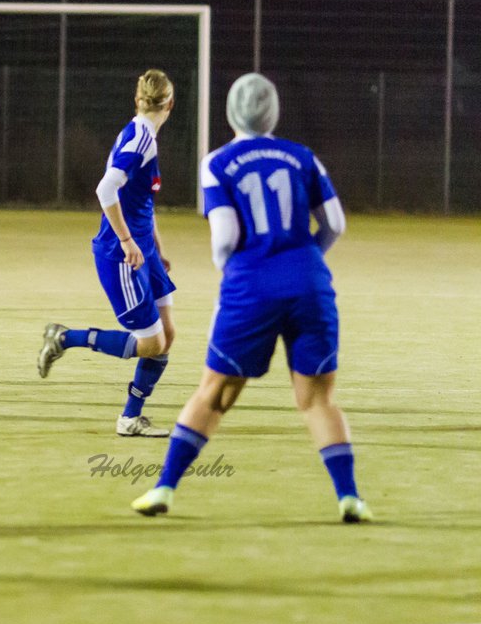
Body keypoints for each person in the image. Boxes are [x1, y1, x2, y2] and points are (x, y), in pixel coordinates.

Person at [132, 74, 372, 522]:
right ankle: (350, 498)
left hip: (250, 288)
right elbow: (335, 223)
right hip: (309, 285)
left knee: (214, 394)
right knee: (318, 400)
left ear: (230, 113)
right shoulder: (303, 157)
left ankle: (163, 489)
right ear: (274, 112)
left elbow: (225, 239)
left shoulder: (218, 163)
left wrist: (243, 271)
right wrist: (302, 260)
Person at [37, 69, 176, 438]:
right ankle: (65, 338)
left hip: (143, 251)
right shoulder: (141, 140)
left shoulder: (143, 134)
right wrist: (129, 242)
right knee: (151, 343)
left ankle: (131, 417)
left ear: (137, 100)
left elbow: (140, 199)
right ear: (170, 104)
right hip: (121, 253)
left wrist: (156, 248)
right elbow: (106, 190)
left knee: (167, 335)